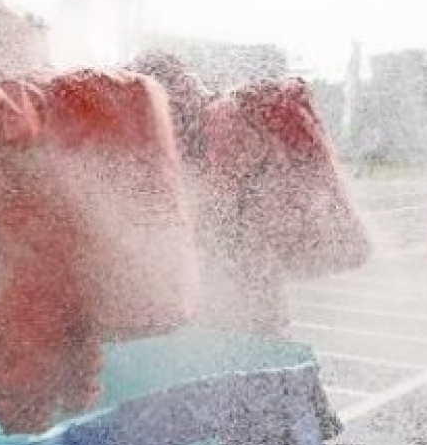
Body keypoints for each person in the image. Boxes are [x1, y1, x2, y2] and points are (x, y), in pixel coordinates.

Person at [0, 0, 200, 434]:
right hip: (71, 269)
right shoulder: (61, 86)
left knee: (23, 383)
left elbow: (12, 112)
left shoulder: (30, 89)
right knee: (77, 375)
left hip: (29, 276)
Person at [129, 52, 371, 336]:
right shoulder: (206, 128)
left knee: (253, 341)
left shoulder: (226, 121)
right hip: (249, 290)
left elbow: (215, 208)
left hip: (244, 301)